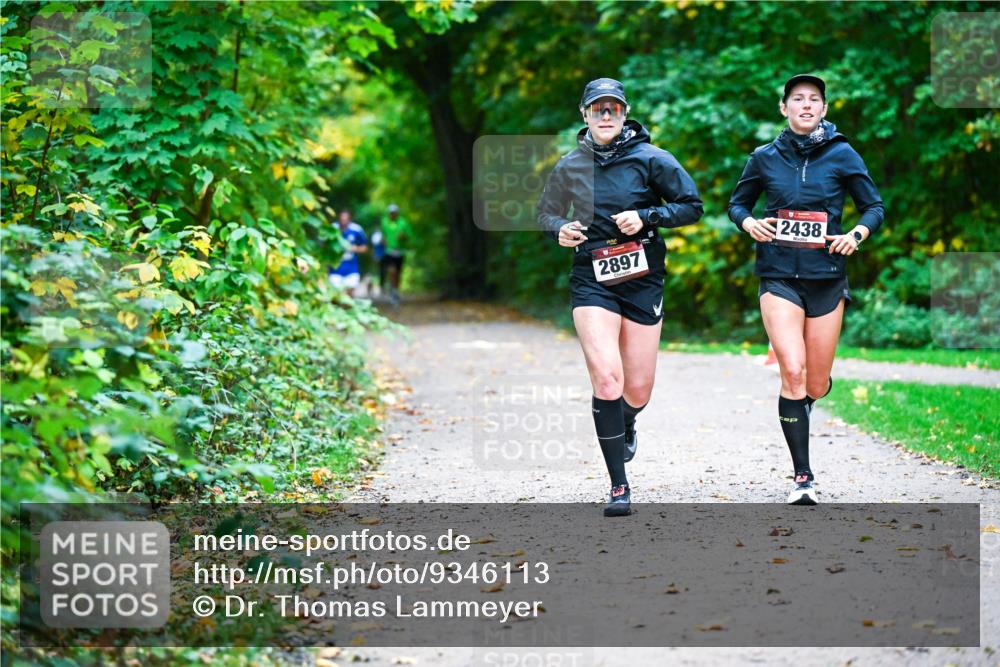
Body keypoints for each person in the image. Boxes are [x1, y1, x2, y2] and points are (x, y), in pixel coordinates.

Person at [538, 77, 703, 517]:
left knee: (638, 389)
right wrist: (561, 229)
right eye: (598, 109)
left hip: (643, 278)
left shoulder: (653, 159)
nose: (606, 115)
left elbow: (692, 206)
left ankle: (626, 421)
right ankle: (618, 485)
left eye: (613, 108)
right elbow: (546, 212)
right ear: (585, 114)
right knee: (607, 379)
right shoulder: (569, 165)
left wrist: (648, 215)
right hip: (591, 276)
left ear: (625, 113)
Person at [727, 74, 885, 505]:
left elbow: (873, 207)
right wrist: (749, 223)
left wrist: (855, 234)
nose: (806, 105)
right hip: (777, 275)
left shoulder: (842, 154)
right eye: (797, 99)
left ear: (824, 108)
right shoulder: (764, 157)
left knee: (814, 382)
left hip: (827, 278)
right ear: (784, 108)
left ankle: (809, 396)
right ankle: (803, 477)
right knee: (791, 372)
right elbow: (737, 204)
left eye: (814, 99)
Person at [328, 207, 368, 298]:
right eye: (342, 219)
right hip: (335, 268)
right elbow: (323, 245)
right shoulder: (332, 229)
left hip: (351, 268)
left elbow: (365, 247)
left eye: (346, 219)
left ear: (349, 219)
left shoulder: (356, 229)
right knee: (336, 296)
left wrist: (355, 249)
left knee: (349, 294)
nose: (344, 222)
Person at [379, 203, 412, 306]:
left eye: (394, 213)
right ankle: (392, 290)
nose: (392, 214)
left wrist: (404, 236)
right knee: (391, 270)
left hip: (400, 251)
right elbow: (383, 234)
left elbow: (409, 236)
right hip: (389, 251)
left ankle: (395, 290)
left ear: (397, 213)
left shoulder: (403, 223)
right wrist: (383, 240)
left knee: (398, 272)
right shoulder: (384, 222)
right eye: (391, 213)